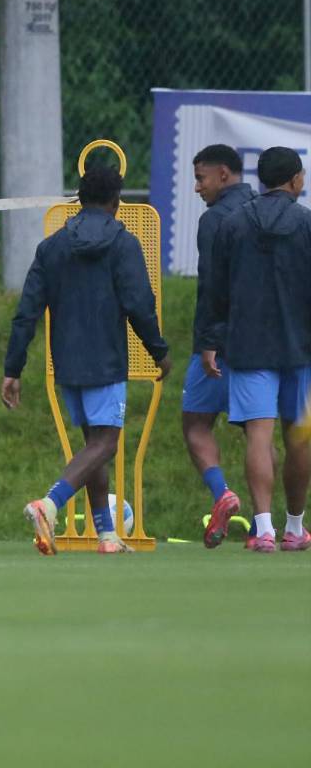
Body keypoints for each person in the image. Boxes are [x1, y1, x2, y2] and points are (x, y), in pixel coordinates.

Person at [1, 165, 172, 556]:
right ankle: (49, 504)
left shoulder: (51, 248)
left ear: (77, 198)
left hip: (66, 363)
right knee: (106, 443)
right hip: (107, 359)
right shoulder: (124, 244)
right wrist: (158, 351)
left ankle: (107, 535)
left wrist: (13, 368)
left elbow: (27, 311)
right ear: (117, 202)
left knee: (92, 445)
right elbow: (139, 304)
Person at [209, 146, 311, 552]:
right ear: (295, 180)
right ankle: (295, 527)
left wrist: (212, 339)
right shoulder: (307, 224)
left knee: (258, 434)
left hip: (247, 345)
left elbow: (216, 291)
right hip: (301, 348)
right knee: (300, 439)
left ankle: (263, 529)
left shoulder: (232, 225)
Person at [184, 145, 256, 548]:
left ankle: (222, 493)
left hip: (220, 342)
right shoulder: (262, 210)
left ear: (224, 174)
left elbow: (213, 284)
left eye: (201, 178)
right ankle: (266, 526)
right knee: (258, 433)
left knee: (195, 424)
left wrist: (209, 340)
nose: (198, 188)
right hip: (262, 341)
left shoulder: (215, 219)